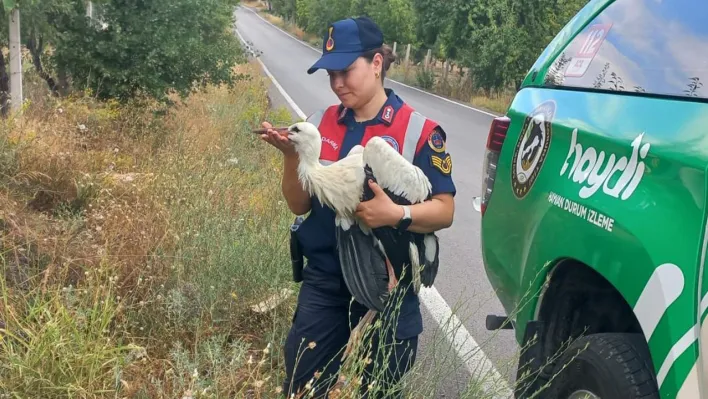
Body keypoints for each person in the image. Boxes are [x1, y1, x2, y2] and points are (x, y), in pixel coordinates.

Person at [259, 16, 456, 398]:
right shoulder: (320, 124)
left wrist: (397, 215)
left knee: (378, 390)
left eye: (346, 71)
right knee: (302, 387)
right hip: (326, 282)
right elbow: (299, 204)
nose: (336, 83)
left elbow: (445, 211)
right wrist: (290, 156)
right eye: (330, 74)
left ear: (377, 64)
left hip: (388, 290)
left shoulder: (417, 130)